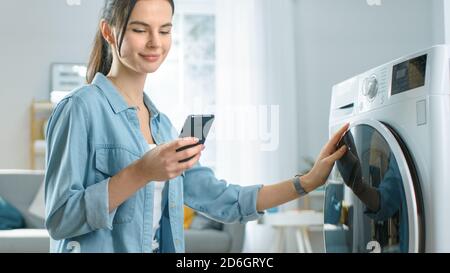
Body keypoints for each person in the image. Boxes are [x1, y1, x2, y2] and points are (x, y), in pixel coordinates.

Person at [44, 0, 348, 253]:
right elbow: (60, 219)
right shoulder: (79, 109)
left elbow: (223, 200)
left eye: (164, 30)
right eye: (140, 29)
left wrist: (307, 182)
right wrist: (141, 172)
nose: (155, 42)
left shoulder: (161, 126)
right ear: (109, 32)